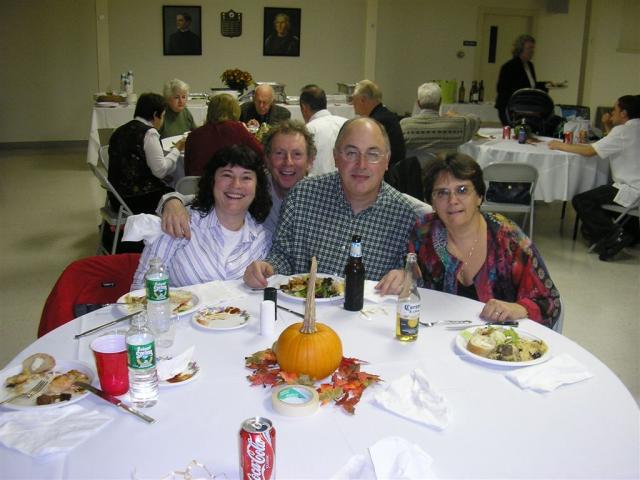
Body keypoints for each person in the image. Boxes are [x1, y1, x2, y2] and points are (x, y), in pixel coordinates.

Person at [376, 153, 561, 328]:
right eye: (442, 193)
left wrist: (519, 308)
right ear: (432, 201)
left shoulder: (508, 239)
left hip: (497, 344)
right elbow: (416, 277)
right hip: (439, 335)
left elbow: (550, 303)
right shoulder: (424, 231)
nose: (452, 200)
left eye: (462, 190)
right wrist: (404, 276)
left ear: (479, 196)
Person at [243, 117, 418, 288]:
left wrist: (407, 278)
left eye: (372, 154)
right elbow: (283, 255)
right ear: (336, 157)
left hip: (369, 315)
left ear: (386, 160)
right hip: (303, 312)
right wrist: (268, 268)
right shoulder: (302, 196)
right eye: (351, 153)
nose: (361, 164)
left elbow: (416, 277)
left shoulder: (405, 217)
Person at [130, 145, 272, 290]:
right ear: (212, 181)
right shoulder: (179, 222)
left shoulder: (262, 239)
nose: (236, 184)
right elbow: (140, 289)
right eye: (227, 175)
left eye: (246, 177)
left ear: (257, 186)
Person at [159, 119, 316, 239]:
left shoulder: (320, 196)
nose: (287, 162)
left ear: (310, 161)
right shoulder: (253, 187)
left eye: (297, 154)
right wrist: (172, 202)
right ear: (267, 159)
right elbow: (200, 198)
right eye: (279, 153)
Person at [548, 95, 640, 260]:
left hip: (631, 189)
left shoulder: (623, 131)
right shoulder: (633, 129)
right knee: (601, 194)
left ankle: (613, 235)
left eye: (614, 110)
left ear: (624, 113)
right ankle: (631, 233)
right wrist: (607, 124)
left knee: (582, 200)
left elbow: (590, 151)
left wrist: (560, 145)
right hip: (636, 187)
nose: (611, 113)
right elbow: (615, 142)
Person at [108, 92, 185, 214]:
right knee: (176, 195)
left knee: (167, 180)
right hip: (136, 200)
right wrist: (177, 149)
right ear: (155, 115)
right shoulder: (149, 134)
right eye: (163, 116)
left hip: (116, 197)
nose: (162, 120)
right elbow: (160, 171)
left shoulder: (119, 131)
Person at [184, 93, 264, 176]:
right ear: (235, 111)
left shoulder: (193, 135)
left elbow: (187, 170)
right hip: (227, 185)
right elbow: (261, 154)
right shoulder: (237, 129)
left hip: (196, 186)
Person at [401, 82, 480, 165]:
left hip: (413, 174)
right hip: (446, 173)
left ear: (418, 103)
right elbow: (477, 120)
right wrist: (456, 116)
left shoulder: (404, 125)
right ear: (440, 102)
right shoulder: (458, 125)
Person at [352, 80, 406, 166]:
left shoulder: (375, 123)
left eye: (354, 100)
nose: (352, 104)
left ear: (363, 100)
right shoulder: (386, 115)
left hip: (386, 173)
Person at [495, 34, 546, 126]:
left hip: (525, 107)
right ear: (520, 49)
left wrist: (545, 85)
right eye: (529, 48)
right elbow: (502, 89)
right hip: (511, 108)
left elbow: (531, 85)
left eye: (533, 48)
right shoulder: (509, 66)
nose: (532, 51)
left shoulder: (530, 65)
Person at [299, 84, 348, 176]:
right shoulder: (347, 124)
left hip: (316, 186)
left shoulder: (308, 130)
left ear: (304, 108)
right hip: (346, 184)